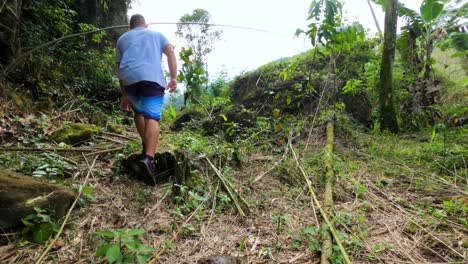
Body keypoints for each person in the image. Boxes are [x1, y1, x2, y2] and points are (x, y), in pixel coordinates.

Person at [116, 14, 177, 185]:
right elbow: (170, 52)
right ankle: (149, 159)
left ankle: (145, 143)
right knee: (152, 116)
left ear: (130, 26)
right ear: (145, 25)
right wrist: (173, 77)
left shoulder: (122, 39)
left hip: (129, 80)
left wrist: (124, 94)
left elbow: (119, 67)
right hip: (151, 78)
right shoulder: (156, 35)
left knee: (139, 112)